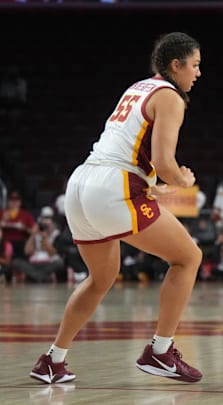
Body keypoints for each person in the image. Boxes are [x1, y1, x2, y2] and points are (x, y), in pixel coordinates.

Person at [29, 32, 203, 384]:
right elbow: (164, 162)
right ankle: (160, 351)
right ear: (176, 65)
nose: (198, 73)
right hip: (112, 187)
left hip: (81, 184)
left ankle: (52, 360)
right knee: (188, 258)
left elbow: (130, 151)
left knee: (101, 279)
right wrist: (183, 179)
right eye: (195, 65)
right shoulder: (171, 97)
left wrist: (153, 183)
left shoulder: (138, 87)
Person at [11, 206, 64, 283]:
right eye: (44, 219)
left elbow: (52, 253)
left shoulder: (56, 234)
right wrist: (33, 235)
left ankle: (35, 276)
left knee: (60, 263)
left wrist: (45, 238)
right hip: (34, 264)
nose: (46, 223)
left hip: (48, 264)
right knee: (16, 262)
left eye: (48, 220)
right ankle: (41, 277)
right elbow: (27, 251)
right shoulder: (36, 233)